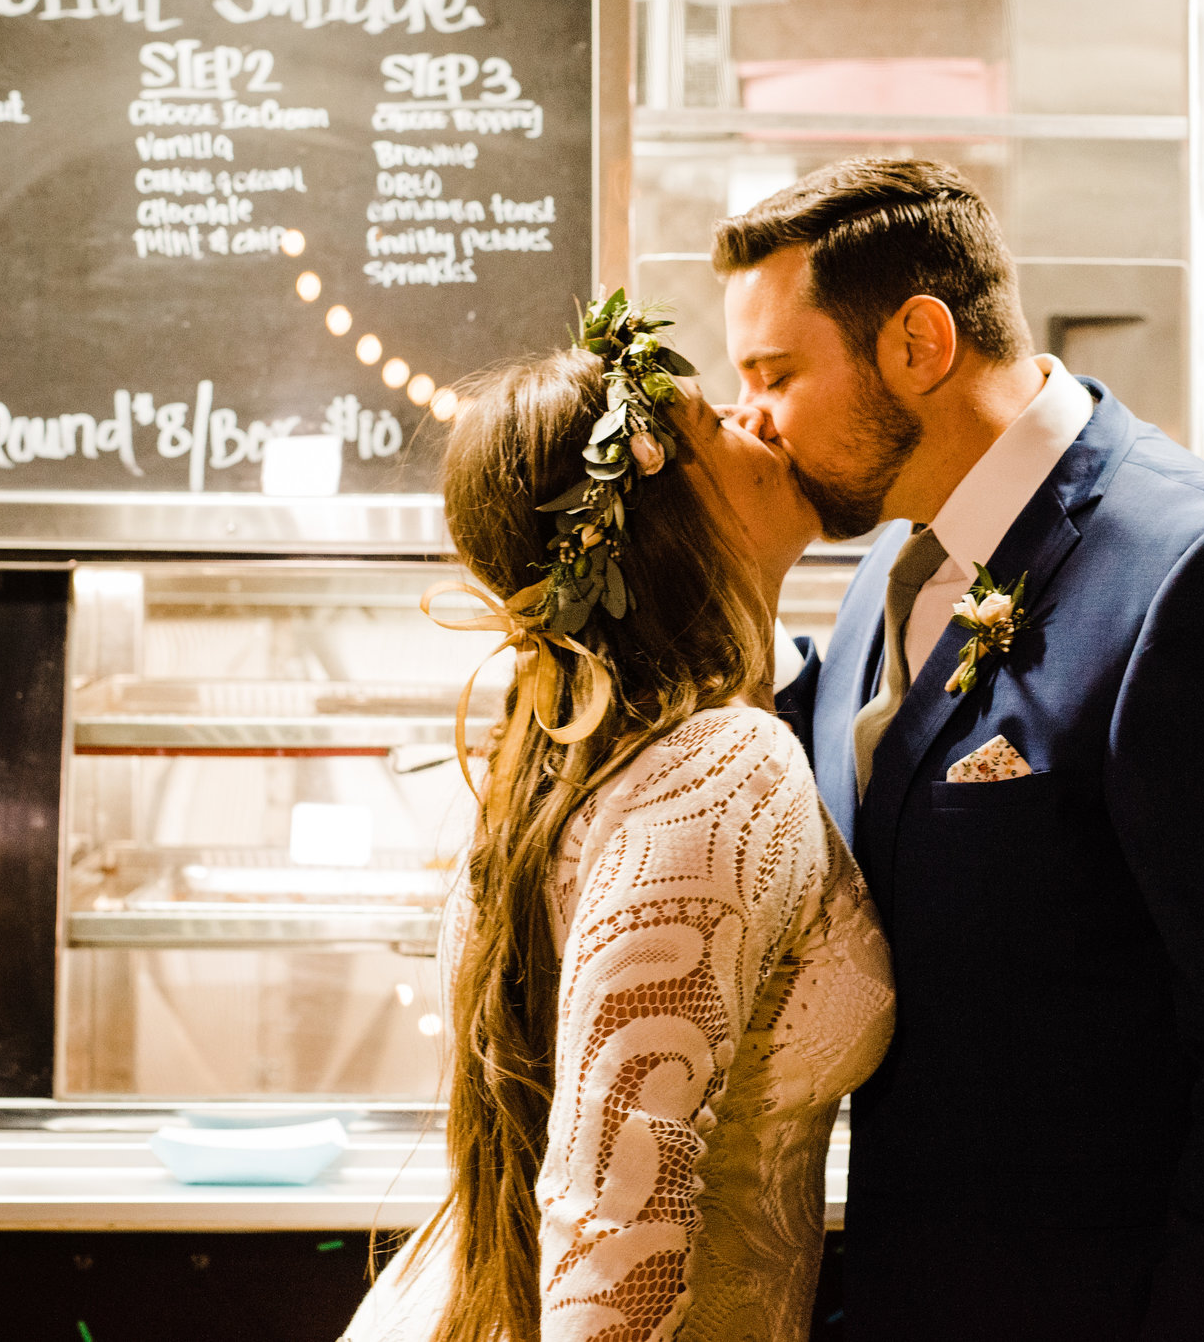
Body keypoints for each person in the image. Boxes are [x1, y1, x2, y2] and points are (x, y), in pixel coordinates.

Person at [716, 158, 1204, 1342]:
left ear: (918, 344)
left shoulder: (1202, 574)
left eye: (775, 374)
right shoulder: (887, 563)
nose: (753, 418)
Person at [343, 295, 893, 1342]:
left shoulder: (566, 755)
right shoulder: (720, 766)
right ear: (658, 513)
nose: (761, 419)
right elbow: (611, 1229)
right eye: (717, 423)